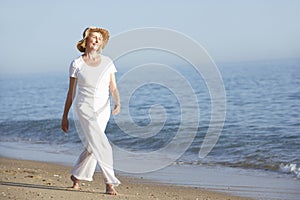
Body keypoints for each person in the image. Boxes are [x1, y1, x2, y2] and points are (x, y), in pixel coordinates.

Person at [61, 26, 121, 195]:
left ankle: (76, 176)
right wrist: (64, 116)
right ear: (86, 40)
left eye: (99, 39)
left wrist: (117, 102)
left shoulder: (108, 62)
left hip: (103, 109)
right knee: (102, 145)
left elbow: (113, 87)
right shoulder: (76, 64)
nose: (97, 40)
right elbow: (71, 92)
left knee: (92, 145)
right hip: (84, 108)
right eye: (94, 37)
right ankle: (110, 183)